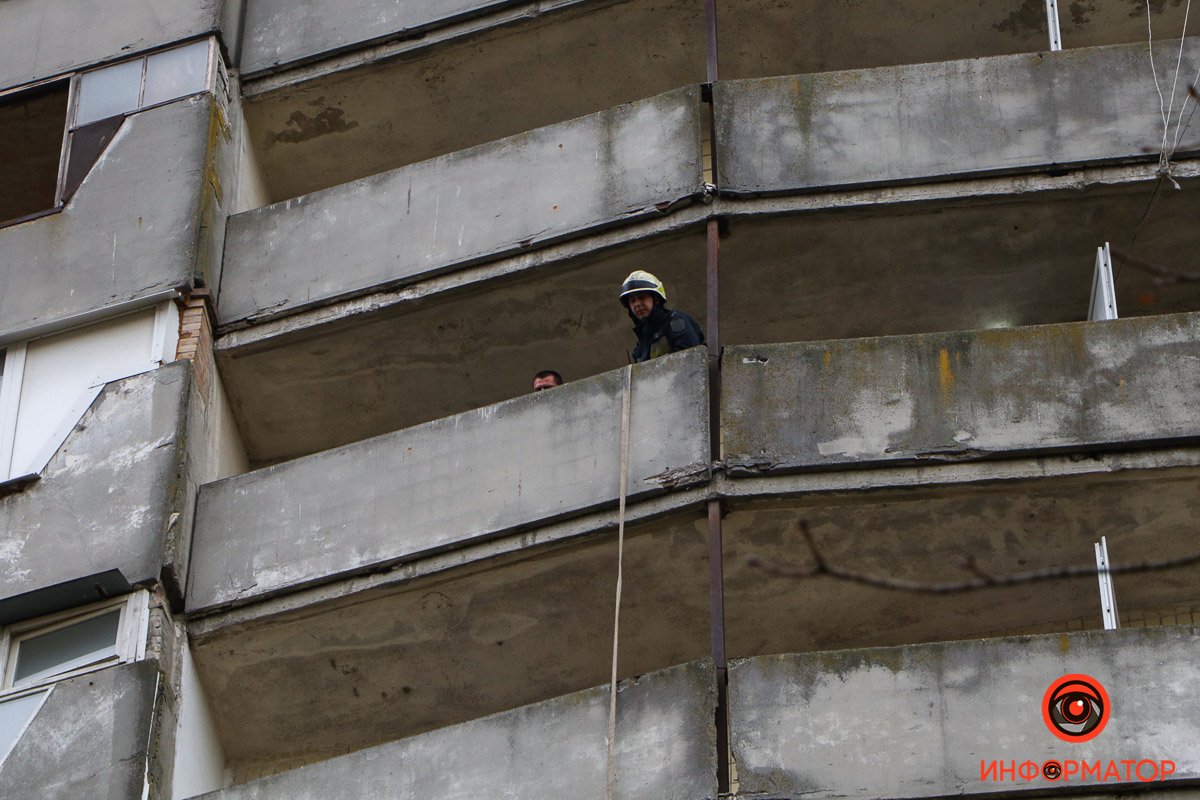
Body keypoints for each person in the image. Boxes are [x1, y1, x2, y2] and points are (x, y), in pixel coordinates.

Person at [619, 270, 704, 363]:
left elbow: (692, 362)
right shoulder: (640, 347)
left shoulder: (676, 322)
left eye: (642, 297)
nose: (637, 304)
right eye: (632, 301)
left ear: (656, 299)